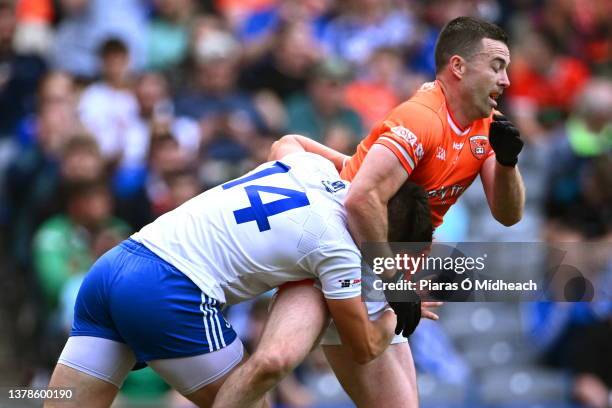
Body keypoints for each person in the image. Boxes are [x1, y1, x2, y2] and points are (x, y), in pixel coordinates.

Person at [224, 16, 526, 408]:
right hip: (343, 251)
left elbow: (508, 215)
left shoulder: (488, 127)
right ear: (458, 66)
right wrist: (398, 286)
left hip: (378, 268)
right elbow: (360, 200)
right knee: (271, 363)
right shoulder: (421, 120)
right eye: (497, 67)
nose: (506, 81)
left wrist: (507, 162)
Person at [45, 142, 433, 407]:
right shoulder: (340, 251)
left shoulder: (315, 170)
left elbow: (287, 141)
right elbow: (364, 348)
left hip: (117, 264)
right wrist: (396, 310)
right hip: (172, 290)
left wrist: (353, 162)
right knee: (253, 401)